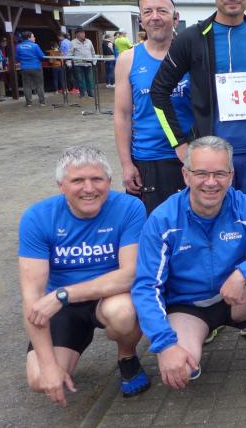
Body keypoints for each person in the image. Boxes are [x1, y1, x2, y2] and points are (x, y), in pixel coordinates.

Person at [132, 136, 246, 401]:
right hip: (188, 308)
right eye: (201, 173)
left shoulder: (240, 204)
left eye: (220, 174)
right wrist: (164, 344)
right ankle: (198, 335)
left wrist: (244, 273)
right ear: (186, 175)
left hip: (235, 297)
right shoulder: (163, 219)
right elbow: (146, 287)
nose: (211, 182)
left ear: (231, 175)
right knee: (184, 370)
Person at [18, 146, 151, 406]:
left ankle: (127, 356)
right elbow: (32, 295)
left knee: (124, 311)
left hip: (109, 296)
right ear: (61, 185)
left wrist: (64, 293)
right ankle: (62, 354)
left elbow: (130, 275)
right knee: (39, 378)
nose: (89, 188)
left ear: (109, 181)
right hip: (63, 308)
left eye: (97, 179)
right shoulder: (37, 217)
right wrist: (48, 365)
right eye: (77, 180)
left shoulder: (130, 207)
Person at [150, 0, 246, 207]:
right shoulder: (192, 38)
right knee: (214, 221)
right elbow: (159, 91)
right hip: (213, 155)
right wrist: (179, 142)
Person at [114, 0, 193, 214]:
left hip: (189, 155)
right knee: (151, 227)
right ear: (141, 20)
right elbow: (122, 115)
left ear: (175, 17)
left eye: (162, 11)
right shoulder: (128, 59)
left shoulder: (193, 55)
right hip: (148, 158)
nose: (155, 17)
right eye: (148, 12)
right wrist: (126, 164)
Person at [15, 31, 46, 107]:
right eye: (33, 36)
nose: (34, 38)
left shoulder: (18, 46)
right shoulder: (35, 46)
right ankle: (42, 102)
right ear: (29, 38)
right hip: (36, 67)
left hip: (25, 68)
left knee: (27, 86)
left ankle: (29, 103)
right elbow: (42, 56)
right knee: (39, 85)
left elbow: (17, 58)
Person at [69, 28, 96, 98]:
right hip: (78, 64)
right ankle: (82, 94)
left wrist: (94, 61)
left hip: (88, 63)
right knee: (79, 80)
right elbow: (70, 53)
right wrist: (68, 63)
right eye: (81, 33)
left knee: (89, 79)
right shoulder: (73, 42)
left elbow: (93, 52)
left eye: (83, 33)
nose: (83, 34)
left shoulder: (89, 41)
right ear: (77, 34)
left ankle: (90, 93)